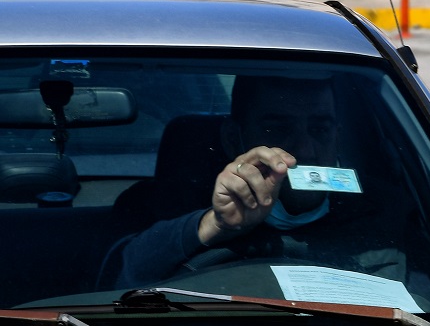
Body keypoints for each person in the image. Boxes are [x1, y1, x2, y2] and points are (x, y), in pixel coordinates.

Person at [108, 75, 411, 289]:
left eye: (320, 129)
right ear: (232, 138)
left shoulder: (389, 211)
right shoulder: (160, 204)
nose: (304, 150)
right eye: (278, 129)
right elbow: (118, 278)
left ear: (338, 136)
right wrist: (214, 225)